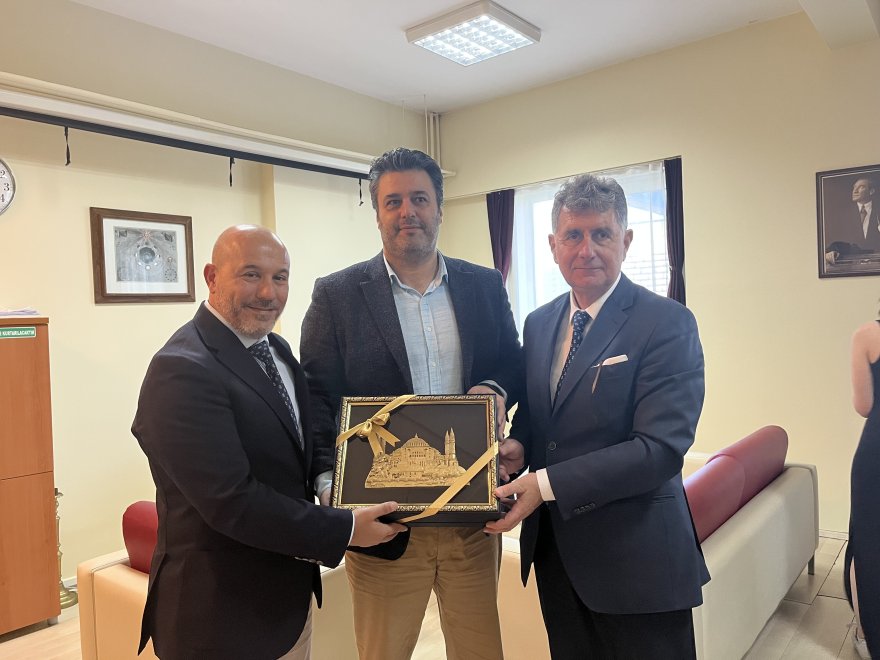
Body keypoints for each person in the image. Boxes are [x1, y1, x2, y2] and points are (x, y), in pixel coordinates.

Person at [132, 225, 405, 660]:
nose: (268, 292)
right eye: (251, 274)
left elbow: (291, 454)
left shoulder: (276, 350)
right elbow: (231, 502)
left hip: (285, 606)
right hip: (218, 621)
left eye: (280, 278)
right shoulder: (181, 369)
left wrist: (328, 484)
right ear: (212, 277)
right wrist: (347, 528)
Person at [300, 147, 522, 660]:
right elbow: (316, 398)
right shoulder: (336, 295)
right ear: (377, 213)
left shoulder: (484, 285)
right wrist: (329, 483)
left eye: (420, 199)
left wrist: (496, 387)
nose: (408, 212)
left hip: (471, 522)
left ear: (440, 207)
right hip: (383, 525)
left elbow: (513, 362)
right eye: (393, 201)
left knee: (480, 652)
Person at [485, 174, 710, 659]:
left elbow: (659, 449)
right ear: (553, 245)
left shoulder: (668, 323)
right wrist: (520, 444)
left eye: (601, 234)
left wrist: (544, 483)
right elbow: (541, 415)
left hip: (639, 561)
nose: (586, 249)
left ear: (626, 241)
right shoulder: (539, 323)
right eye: (573, 235)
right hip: (557, 557)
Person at [844, 315, 880, 659]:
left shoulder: (868, 335)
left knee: (868, 545)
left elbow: (864, 406)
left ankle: (866, 633)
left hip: (876, 456)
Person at [826, 177, 880, 263]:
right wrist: (830, 251)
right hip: (850, 263)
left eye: (861, 187)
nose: (855, 191)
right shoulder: (842, 214)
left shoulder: (878, 210)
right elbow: (833, 239)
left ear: (871, 191)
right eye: (854, 187)